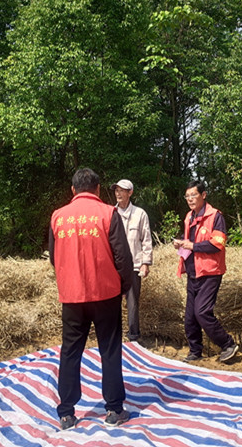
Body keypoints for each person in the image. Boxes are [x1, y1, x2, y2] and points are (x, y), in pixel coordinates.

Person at [48, 168, 134, 430]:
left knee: (70, 351)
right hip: (105, 294)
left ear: (73, 190)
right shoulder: (108, 213)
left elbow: (53, 256)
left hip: (72, 296)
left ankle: (66, 413)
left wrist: (69, 278)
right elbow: (123, 257)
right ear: (97, 189)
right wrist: (123, 287)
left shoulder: (58, 216)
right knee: (109, 349)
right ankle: (114, 409)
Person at [172, 180, 239, 364]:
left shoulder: (215, 216)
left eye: (193, 195)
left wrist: (193, 246)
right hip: (193, 272)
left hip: (210, 272)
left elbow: (217, 244)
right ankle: (195, 351)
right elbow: (189, 240)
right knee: (189, 317)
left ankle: (228, 344)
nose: (190, 199)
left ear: (203, 195)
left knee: (202, 312)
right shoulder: (189, 217)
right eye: (187, 196)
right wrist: (181, 243)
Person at [110, 179, 153, 342]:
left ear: (130, 193)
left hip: (134, 265)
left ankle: (134, 337)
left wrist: (145, 263)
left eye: (122, 190)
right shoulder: (110, 213)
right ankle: (113, 336)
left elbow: (146, 240)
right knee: (112, 302)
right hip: (113, 266)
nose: (118, 193)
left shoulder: (140, 214)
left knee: (133, 303)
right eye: (116, 190)